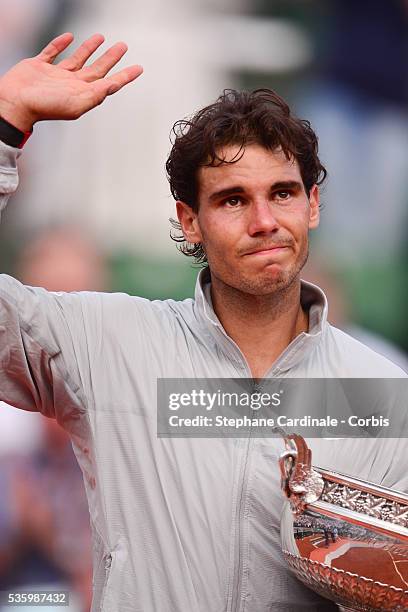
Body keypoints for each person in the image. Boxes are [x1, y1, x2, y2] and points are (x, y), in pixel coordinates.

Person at [0, 33, 406, 612]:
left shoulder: (382, 390)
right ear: (190, 221)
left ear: (313, 205)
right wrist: (6, 122)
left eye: (283, 193)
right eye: (234, 200)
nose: (265, 220)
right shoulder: (107, 342)